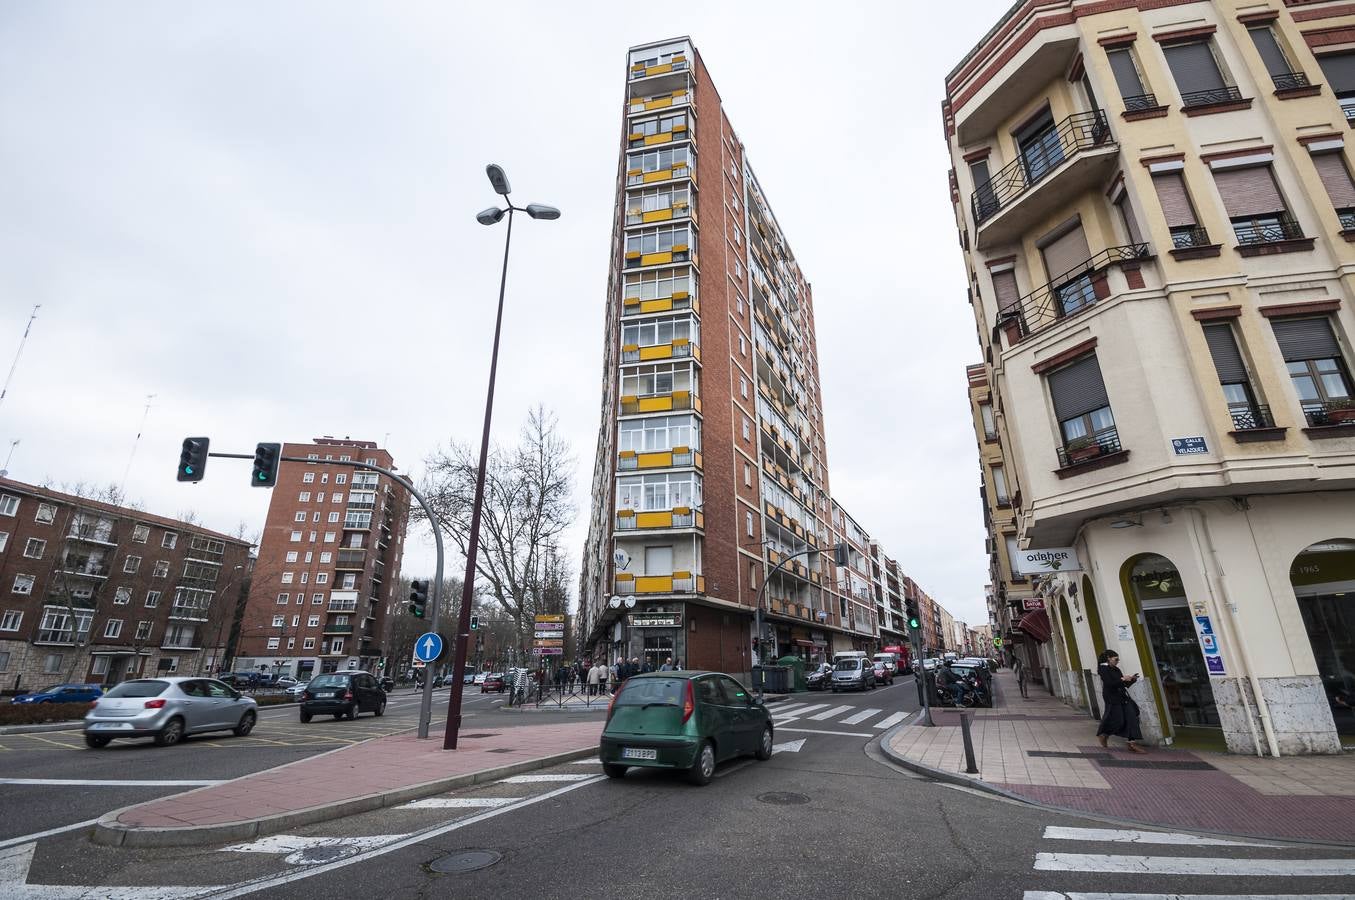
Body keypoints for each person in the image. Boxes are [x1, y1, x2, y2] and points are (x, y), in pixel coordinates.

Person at [1096, 649, 1147, 753]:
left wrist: (1132, 680)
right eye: (1116, 659)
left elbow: (1122, 684)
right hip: (1112, 698)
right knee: (1118, 720)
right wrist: (1122, 679)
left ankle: (1132, 743)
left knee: (1132, 717)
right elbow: (1110, 684)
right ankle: (1104, 734)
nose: (1117, 661)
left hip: (1123, 697)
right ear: (1109, 658)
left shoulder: (1116, 669)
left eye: (1118, 660)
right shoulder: (1103, 669)